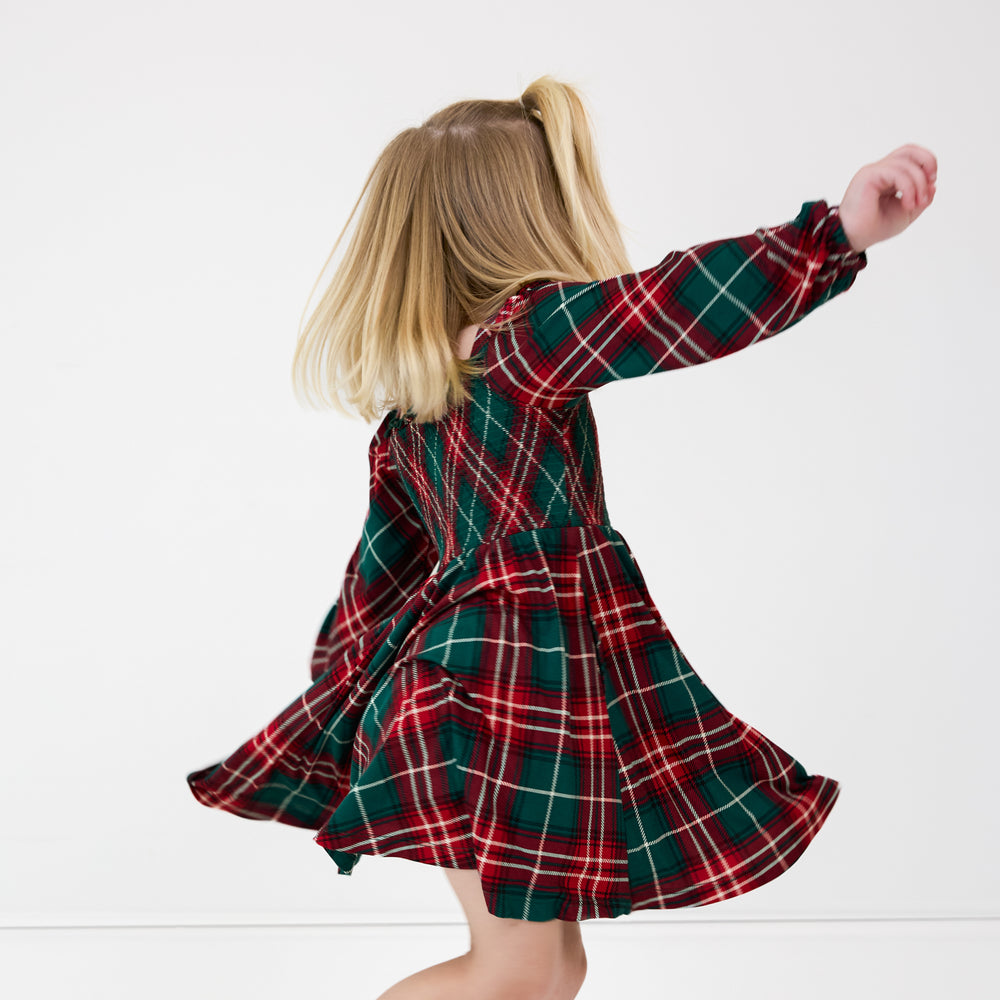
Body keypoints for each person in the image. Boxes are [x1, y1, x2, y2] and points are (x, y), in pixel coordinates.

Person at [186, 75, 937, 1000]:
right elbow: (667, 306)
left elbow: (376, 581)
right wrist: (834, 235)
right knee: (517, 967)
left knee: (550, 968)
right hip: (490, 703)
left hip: (507, 700)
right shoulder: (523, 337)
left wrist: (352, 703)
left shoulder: (421, 400)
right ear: (522, 214)